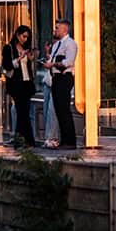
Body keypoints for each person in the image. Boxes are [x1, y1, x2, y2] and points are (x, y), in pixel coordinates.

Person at [0, 24, 37, 147]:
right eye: (23, 36)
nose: (25, 39)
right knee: (21, 111)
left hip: (26, 83)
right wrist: (19, 58)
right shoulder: (9, 48)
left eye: (27, 37)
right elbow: (7, 65)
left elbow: (28, 68)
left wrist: (30, 59)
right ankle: (26, 140)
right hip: (16, 84)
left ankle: (22, 139)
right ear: (17, 35)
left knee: (24, 112)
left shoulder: (27, 48)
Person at [44, 18, 79, 150]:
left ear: (64, 29)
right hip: (56, 78)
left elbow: (69, 62)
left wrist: (53, 64)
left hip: (64, 77)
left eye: (57, 28)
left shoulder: (70, 44)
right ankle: (64, 140)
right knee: (59, 110)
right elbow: (52, 59)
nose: (55, 30)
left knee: (64, 110)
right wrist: (48, 58)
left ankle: (70, 141)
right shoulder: (57, 44)